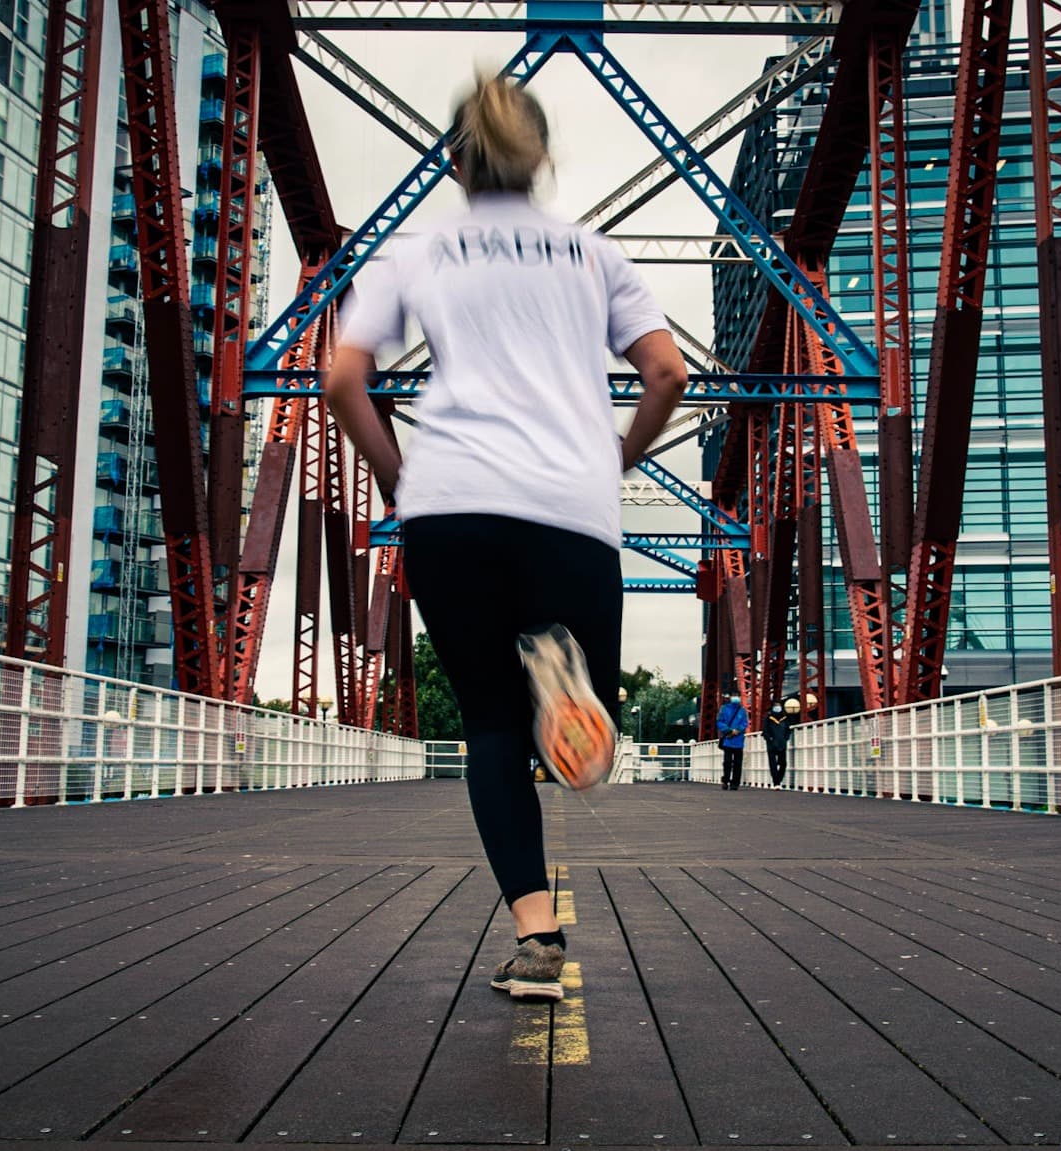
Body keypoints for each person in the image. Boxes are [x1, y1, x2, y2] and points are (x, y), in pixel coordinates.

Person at [325, 73, 688, 1003]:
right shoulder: (592, 254)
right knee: (579, 733)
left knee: (489, 727)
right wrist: (617, 456)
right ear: (539, 159)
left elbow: (342, 378)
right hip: (569, 501)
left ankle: (535, 941)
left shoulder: (420, 252)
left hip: (451, 505)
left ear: (456, 160)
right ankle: (570, 693)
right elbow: (667, 372)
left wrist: (396, 476)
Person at [763, 697, 799, 787]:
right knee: (773, 764)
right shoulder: (768, 718)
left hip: (782, 743)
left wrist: (786, 738)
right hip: (771, 743)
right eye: (776, 706)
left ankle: (778, 779)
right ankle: (776, 782)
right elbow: (765, 730)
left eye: (779, 705)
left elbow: (788, 729)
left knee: (783, 763)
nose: (777, 707)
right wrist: (769, 739)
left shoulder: (784, 718)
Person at [717, 693, 748, 789]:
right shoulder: (724, 709)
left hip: (737, 740)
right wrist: (730, 730)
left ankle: (735, 783)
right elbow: (719, 722)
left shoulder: (742, 710)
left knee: (738, 763)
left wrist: (737, 730)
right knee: (728, 762)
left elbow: (745, 723)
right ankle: (725, 780)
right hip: (728, 739)